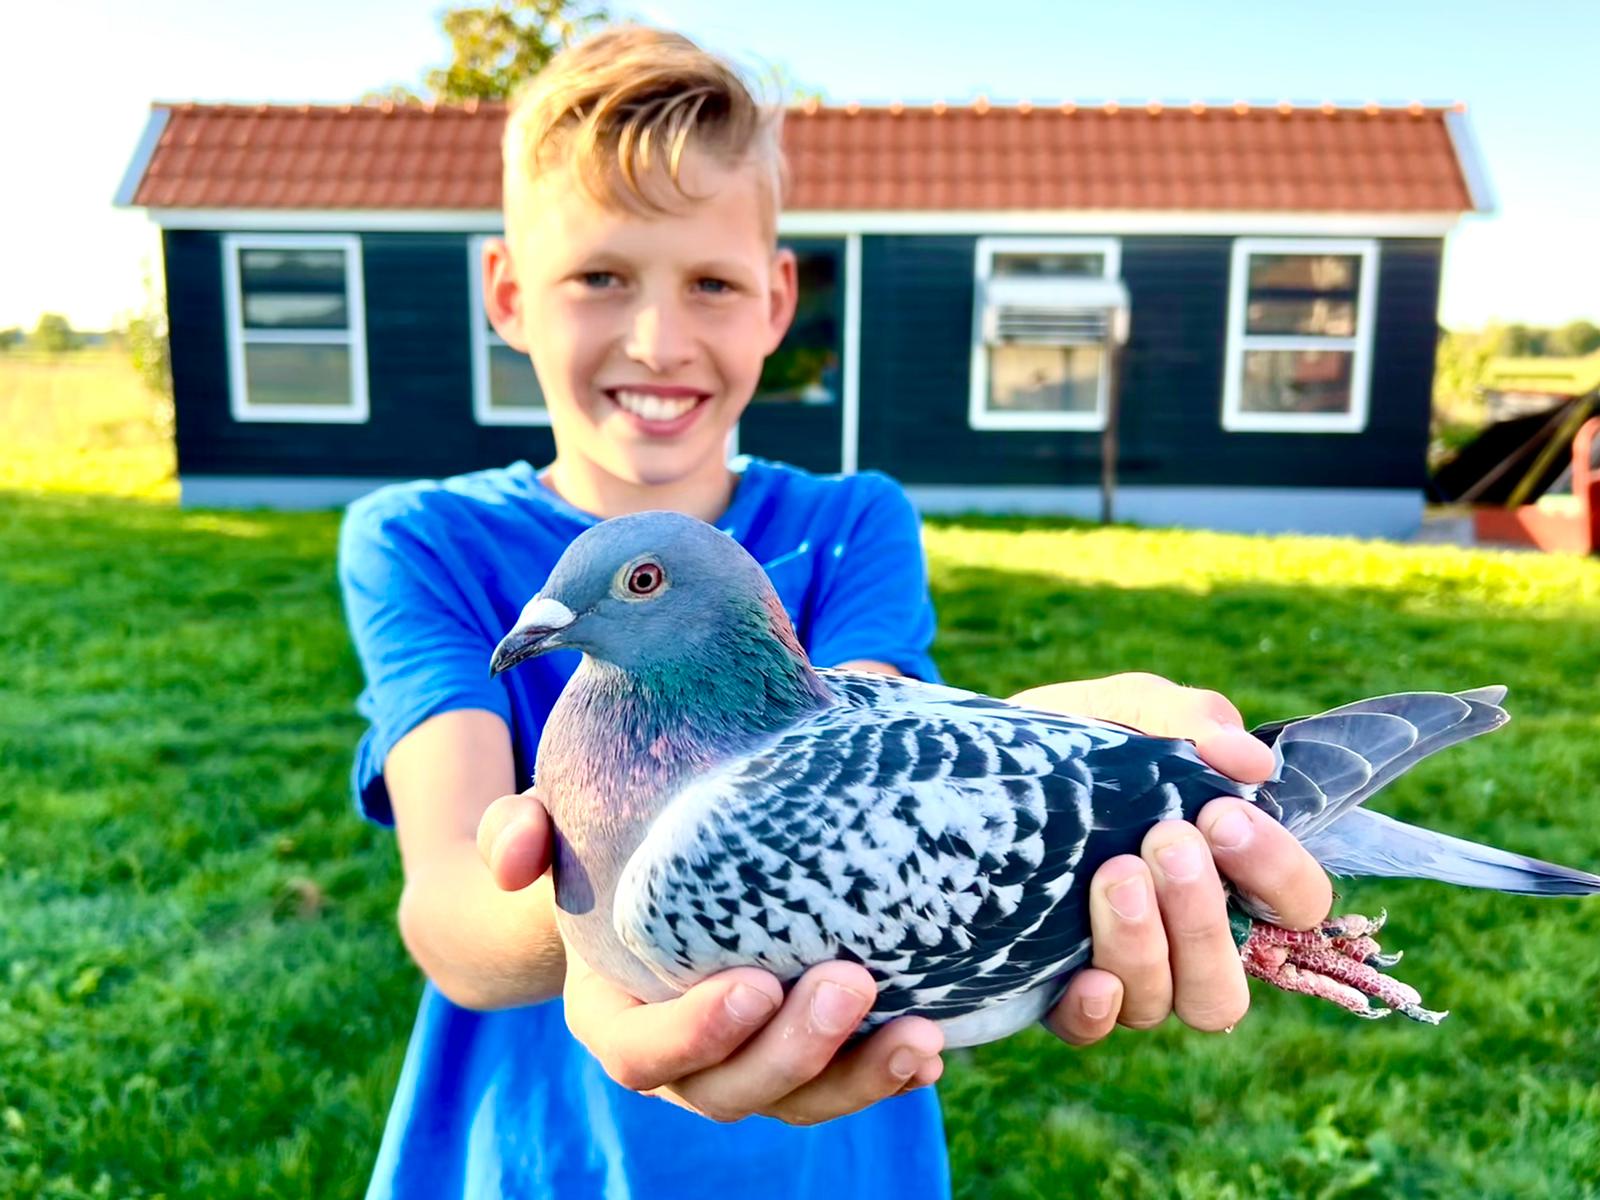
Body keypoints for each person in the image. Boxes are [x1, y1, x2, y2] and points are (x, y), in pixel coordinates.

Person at [337, 25, 1333, 1200]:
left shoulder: (850, 521)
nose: (658, 339)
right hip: (536, 1154)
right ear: (508, 293)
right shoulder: (421, 542)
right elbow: (451, 913)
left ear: (777, 299)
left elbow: (872, 751)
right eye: (599, 277)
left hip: (840, 1144)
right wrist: (608, 915)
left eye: (709, 283)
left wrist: (1055, 759)